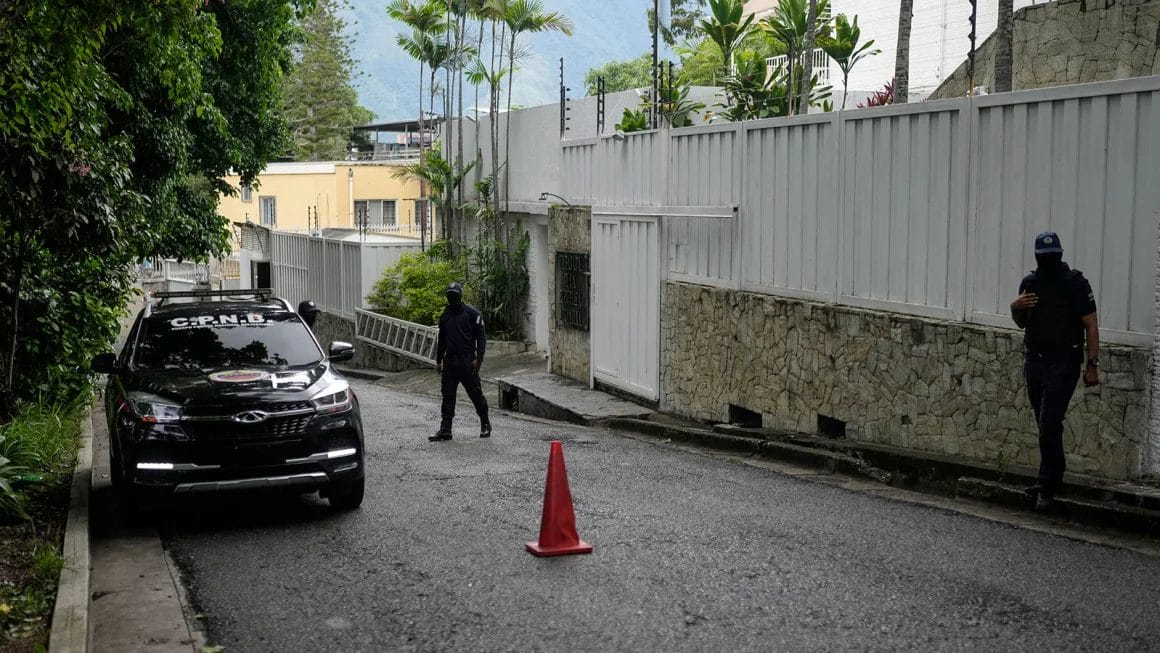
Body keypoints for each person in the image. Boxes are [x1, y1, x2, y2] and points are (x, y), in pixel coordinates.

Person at [1009, 232, 1099, 511]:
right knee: (1044, 422)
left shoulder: (1075, 284)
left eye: (1051, 255)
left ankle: (1047, 486)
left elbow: (1091, 326)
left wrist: (1092, 366)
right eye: (1043, 256)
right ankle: (1053, 474)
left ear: (1059, 255)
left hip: (1064, 362)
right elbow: (1021, 324)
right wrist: (1015, 307)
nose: (1047, 260)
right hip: (1035, 360)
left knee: (1049, 421)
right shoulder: (1030, 283)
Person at [430, 282, 491, 441]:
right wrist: (438, 360)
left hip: (467, 362)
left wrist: (479, 359)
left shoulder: (472, 314)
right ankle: (445, 430)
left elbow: (481, 337)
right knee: (447, 396)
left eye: (454, 295)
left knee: (476, 394)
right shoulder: (446, 315)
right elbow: (441, 339)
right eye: (450, 296)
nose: (452, 298)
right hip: (450, 362)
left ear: (460, 296)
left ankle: (485, 424)